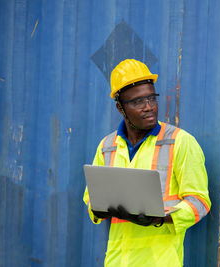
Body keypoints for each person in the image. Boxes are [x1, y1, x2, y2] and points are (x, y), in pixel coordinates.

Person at [83, 59, 211, 267]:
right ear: (120, 108)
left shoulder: (180, 141)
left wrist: (160, 219)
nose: (149, 107)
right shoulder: (107, 146)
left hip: (160, 261)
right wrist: (98, 209)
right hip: (116, 261)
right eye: (137, 102)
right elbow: (90, 197)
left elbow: (200, 202)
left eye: (152, 98)